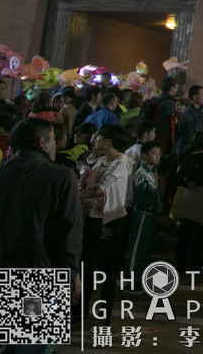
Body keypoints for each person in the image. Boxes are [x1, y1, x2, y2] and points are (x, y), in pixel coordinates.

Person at [0, 117, 82, 350]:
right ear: (41, 142)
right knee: (30, 346)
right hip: (36, 276)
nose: (56, 147)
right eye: (53, 142)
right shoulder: (60, 176)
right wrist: (70, 275)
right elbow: (67, 234)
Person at [80, 123, 133, 323]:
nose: (93, 139)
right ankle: (82, 311)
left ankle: (105, 315)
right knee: (86, 266)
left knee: (106, 270)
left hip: (111, 221)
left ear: (108, 140)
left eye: (97, 137)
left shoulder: (123, 162)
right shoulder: (100, 159)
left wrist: (73, 196)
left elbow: (98, 190)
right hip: (93, 219)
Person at [173, 130, 203, 273]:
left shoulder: (185, 158)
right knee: (200, 235)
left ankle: (181, 264)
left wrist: (189, 183)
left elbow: (177, 178)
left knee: (185, 235)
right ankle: (195, 266)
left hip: (187, 198)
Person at [126, 139, 162, 275]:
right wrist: (150, 206)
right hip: (142, 214)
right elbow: (141, 196)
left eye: (159, 154)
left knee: (144, 247)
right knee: (136, 248)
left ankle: (140, 274)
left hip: (149, 215)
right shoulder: (142, 173)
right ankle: (131, 277)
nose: (157, 156)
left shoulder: (153, 173)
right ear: (144, 156)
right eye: (154, 153)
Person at [175, 85, 203, 156]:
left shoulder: (197, 112)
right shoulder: (189, 114)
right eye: (202, 95)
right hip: (187, 152)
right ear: (194, 97)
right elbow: (189, 137)